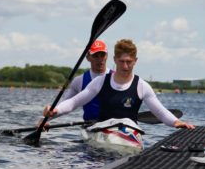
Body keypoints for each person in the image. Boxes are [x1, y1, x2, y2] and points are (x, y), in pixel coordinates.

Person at [43, 39, 195, 130]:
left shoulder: (142, 86)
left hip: (130, 133)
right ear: (115, 60)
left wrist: (176, 122)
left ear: (135, 61)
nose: (125, 66)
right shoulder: (101, 81)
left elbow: (160, 113)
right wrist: (54, 110)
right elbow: (74, 102)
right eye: (121, 62)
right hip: (101, 132)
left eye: (129, 62)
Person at [61, 39, 111, 121]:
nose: (100, 59)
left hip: (113, 126)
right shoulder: (79, 81)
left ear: (107, 56)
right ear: (88, 58)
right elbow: (65, 103)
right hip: (90, 127)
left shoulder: (117, 77)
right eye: (96, 56)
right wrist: (46, 119)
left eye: (102, 55)